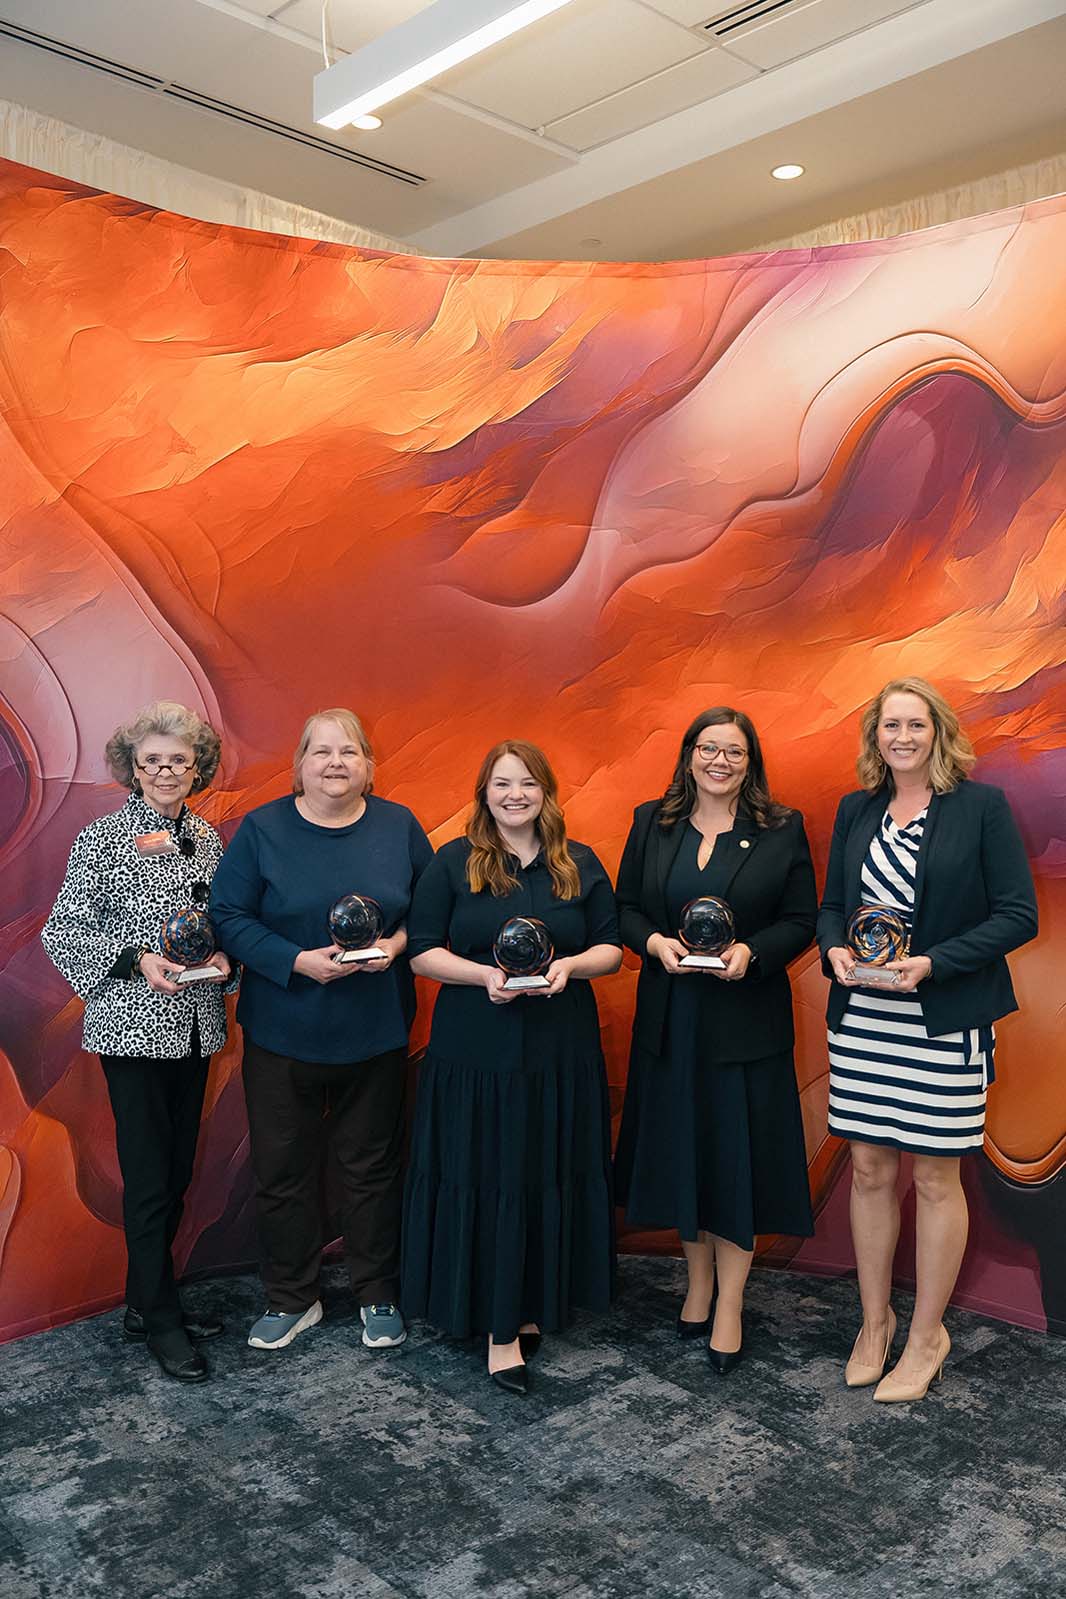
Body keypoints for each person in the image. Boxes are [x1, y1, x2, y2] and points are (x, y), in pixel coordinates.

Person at [820, 677, 1037, 1402]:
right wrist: (834, 953)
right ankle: (874, 1324)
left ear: (938, 732)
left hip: (942, 1024)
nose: (902, 737)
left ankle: (925, 1337)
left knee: (938, 1177)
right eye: (890, 726)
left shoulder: (980, 808)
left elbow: (1018, 914)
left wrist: (934, 962)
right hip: (865, 1025)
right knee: (872, 1170)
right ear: (875, 737)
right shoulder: (857, 809)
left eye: (915, 724)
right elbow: (830, 910)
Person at [401, 741, 621, 1395]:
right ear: (484, 792)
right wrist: (483, 976)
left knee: (544, 1171)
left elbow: (611, 946)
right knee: (490, 1173)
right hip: (477, 1050)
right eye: (502, 783)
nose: (515, 794)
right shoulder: (452, 861)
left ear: (547, 792)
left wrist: (569, 966)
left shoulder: (578, 862)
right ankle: (499, 1330)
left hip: (559, 1049)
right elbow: (418, 952)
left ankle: (532, 1302)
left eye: (527, 783)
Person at [209, 708, 432, 1352]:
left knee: (373, 1168)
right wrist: (295, 962)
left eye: (349, 752)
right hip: (283, 1031)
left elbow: (435, 910)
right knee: (282, 1170)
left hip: (375, 1030)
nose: (336, 763)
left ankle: (377, 1292)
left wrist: (395, 943)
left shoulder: (399, 826)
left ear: (368, 765)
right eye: (321, 752)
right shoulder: (262, 829)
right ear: (300, 764)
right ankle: (290, 1296)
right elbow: (227, 915)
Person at [614, 708, 816, 1375]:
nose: (720, 760)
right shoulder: (652, 820)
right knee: (685, 1155)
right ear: (689, 753)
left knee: (736, 1163)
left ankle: (730, 1301)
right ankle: (696, 1283)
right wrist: (651, 942)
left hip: (744, 1026)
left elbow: (802, 919)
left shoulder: (782, 830)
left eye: (734, 750)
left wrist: (752, 953)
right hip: (672, 1019)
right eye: (709, 748)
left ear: (750, 760)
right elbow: (626, 908)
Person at [41, 701, 236, 1384]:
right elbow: (62, 929)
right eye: (152, 760)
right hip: (131, 1025)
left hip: (195, 1024)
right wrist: (134, 960)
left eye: (178, 760)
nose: (165, 770)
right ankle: (159, 1317)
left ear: (197, 769)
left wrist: (226, 964)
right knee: (151, 1173)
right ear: (132, 768)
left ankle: (140, 1298)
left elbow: (219, 926)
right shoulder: (100, 838)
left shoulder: (208, 839)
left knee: (177, 1168)